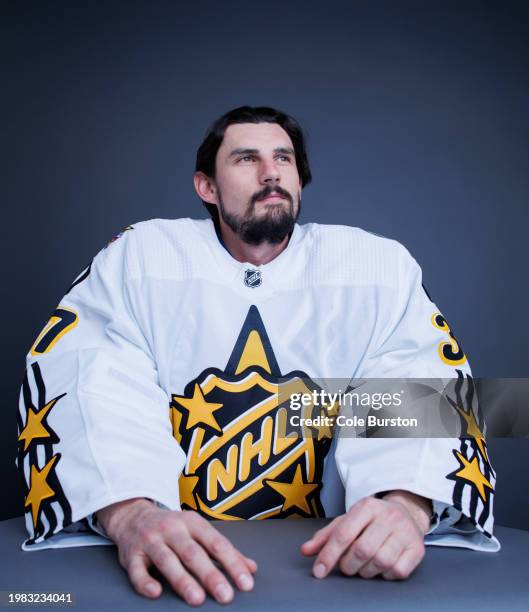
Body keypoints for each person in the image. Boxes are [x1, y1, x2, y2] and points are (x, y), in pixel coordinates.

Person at [17, 106, 499, 606]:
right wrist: (131, 513)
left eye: (283, 159)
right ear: (206, 186)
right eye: (247, 158)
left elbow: (418, 376)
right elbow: (89, 376)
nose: (270, 172)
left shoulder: (376, 266)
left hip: (332, 575)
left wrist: (407, 504)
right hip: (173, 575)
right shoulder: (142, 257)